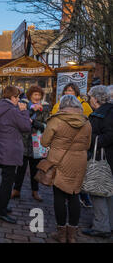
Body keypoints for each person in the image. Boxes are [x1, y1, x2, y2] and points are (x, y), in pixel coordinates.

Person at [41, 95, 92, 243]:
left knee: (59, 196)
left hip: (59, 160)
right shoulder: (86, 122)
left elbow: (44, 142)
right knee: (75, 194)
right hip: (79, 161)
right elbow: (88, 145)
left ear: (62, 105)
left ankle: (61, 234)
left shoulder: (56, 120)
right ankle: (72, 235)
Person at [0, 85, 31, 224]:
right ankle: (0, 211)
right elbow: (26, 127)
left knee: (6, 180)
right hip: (10, 150)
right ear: (12, 97)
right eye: (17, 97)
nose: (19, 99)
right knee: (7, 182)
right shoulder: (12, 111)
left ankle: (2, 207)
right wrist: (24, 112)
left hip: (0, 148)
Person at [51, 83, 94, 207]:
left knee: (76, 180)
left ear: (76, 92)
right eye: (66, 91)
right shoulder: (58, 105)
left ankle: (82, 198)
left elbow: (88, 128)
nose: (68, 93)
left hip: (74, 150)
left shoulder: (85, 106)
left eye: (71, 90)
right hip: (65, 150)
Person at [82, 85, 113, 239]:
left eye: (90, 97)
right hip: (108, 159)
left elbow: (108, 136)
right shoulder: (108, 111)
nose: (89, 100)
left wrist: (89, 138)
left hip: (102, 159)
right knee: (108, 193)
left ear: (96, 98)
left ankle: (101, 227)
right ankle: (107, 224)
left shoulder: (102, 114)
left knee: (98, 192)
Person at [11, 85, 50, 202]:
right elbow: (18, 119)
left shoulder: (46, 107)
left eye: (39, 95)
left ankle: (35, 191)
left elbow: (46, 125)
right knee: (20, 168)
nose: (37, 97)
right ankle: (16, 190)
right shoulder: (23, 104)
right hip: (23, 140)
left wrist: (34, 122)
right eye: (35, 95)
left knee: (35, 168)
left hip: (36, 141)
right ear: (30, 95)